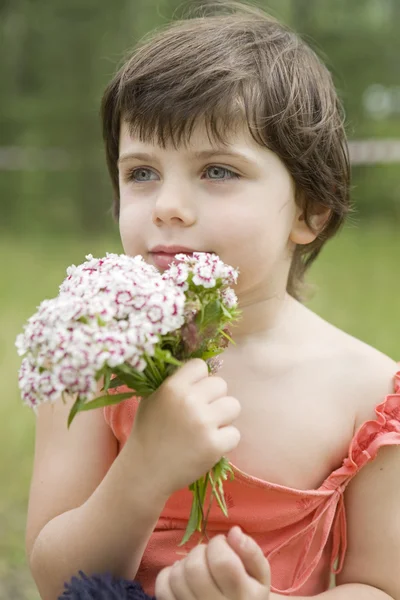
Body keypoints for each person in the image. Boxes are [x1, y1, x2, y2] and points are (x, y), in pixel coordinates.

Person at [25, 2, 400, 600]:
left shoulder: (369, 392)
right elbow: (56, 580)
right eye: (141, 172)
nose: (167, 204)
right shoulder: (92, 353)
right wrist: (145, 467)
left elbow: (381, 585)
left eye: (218, 171)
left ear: (310, 210)